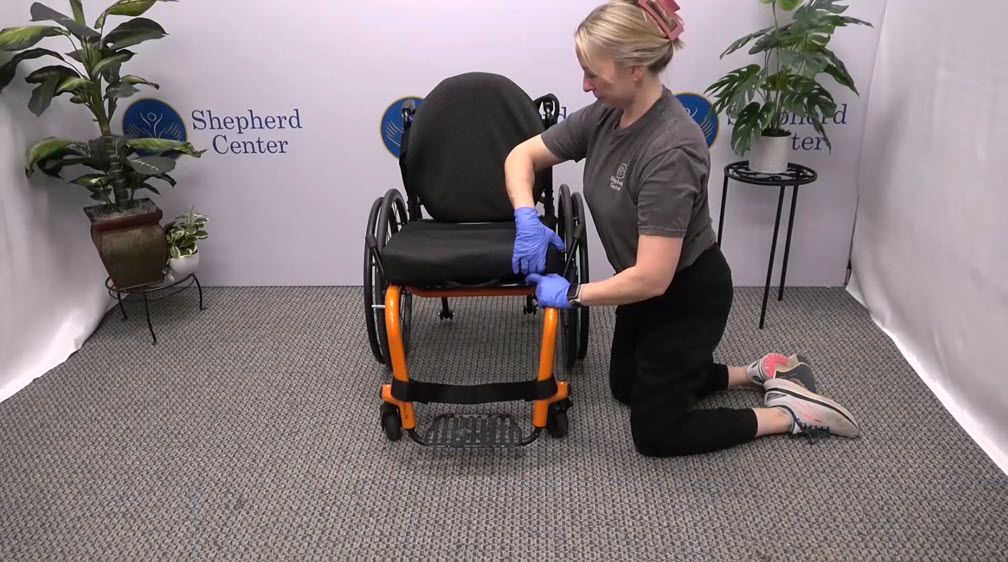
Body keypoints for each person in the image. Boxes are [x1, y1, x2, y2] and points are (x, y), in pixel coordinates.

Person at [506, 0, 860, 457]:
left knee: (656, 433)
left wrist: (573, 294)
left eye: (594, 73)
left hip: (685, 293)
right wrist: (525, 215)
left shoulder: (671, 148)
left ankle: (791, 413)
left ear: (636, 69)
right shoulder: (605, 115)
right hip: (637, 288)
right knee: (627, 387)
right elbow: (522, 156)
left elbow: (654, 278)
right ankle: (756, 371)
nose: (585, 84)